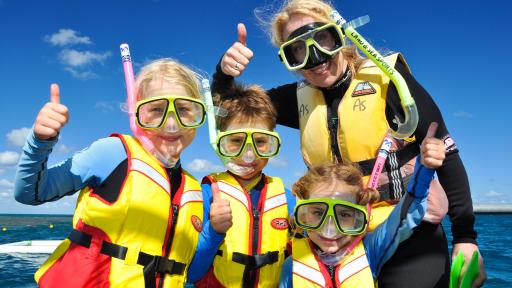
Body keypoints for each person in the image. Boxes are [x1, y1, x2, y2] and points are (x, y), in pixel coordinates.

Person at [212, 0, 486, 287]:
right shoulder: (297, 99)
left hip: (405, 231)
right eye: (298, 51)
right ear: (289, 61)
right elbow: (230, 108)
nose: (315, 57)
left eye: (322, 39)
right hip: (330, 238)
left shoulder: (388, 81)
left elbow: (447, 153)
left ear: (340, 36)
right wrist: (225, 74)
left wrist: (465, 237)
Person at [14, 59, 207, 287]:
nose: (172, 124)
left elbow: (190, 270)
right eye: (157, 109)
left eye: (184, 109)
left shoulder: (193, 189)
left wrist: (215, 231)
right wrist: (40, 141)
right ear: (136, 113)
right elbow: (30, 193)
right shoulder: (113, 154)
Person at [280, 122, 445, 287]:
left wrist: (424, 170)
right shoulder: (291, 265)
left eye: (344, 215)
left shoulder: (370, 251)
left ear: (359, 217)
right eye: (318, 213)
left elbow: (405, 215)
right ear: (303, 215)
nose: (329, 228)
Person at [187, 83, 296, 287]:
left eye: (261, 142)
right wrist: (214, 232)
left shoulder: (286, 198)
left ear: (274, 143)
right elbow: (190, 274)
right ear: (220, 142)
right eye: (236, 141)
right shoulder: (207, 194)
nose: (248, 154)